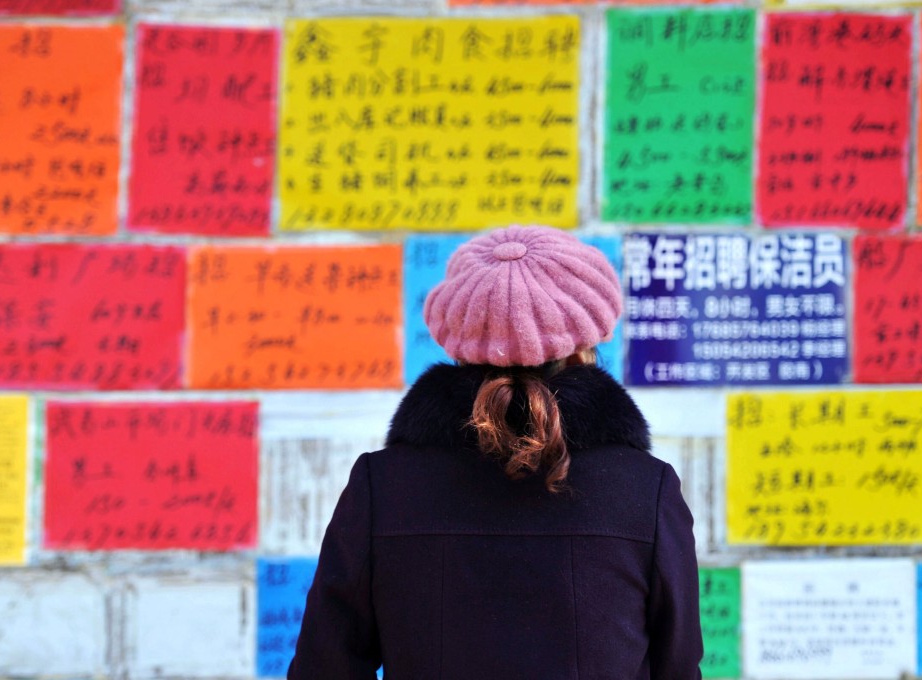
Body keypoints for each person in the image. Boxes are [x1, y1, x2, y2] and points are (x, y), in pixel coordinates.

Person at [287, 225, 703, 679]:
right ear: (584, 345)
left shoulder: (381, 487)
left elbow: (324, 667)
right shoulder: (646, 490)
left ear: (461, 342)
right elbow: (677, 669)